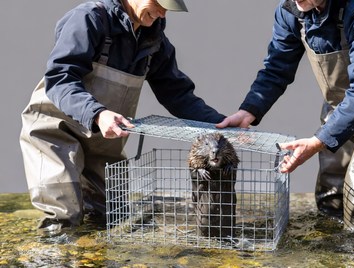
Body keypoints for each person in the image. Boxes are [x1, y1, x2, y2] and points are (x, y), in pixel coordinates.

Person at [20, 0, 225, 233]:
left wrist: (218, 123)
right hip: (55, 133)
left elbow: (177, 93)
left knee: (111, 215)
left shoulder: (154, 39)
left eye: (167, 7)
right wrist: (98, 114)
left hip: (102, 142)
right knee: (63, 218)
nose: (162, 12)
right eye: (158, 3)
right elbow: (60, 79)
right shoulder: (89, 19)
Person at [217, 0, 354, 233]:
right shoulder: (291, 12)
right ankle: (331, 255)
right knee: (331, 193)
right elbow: (276, 68)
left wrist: (318, 141)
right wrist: (249, 111)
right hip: (341, 107)